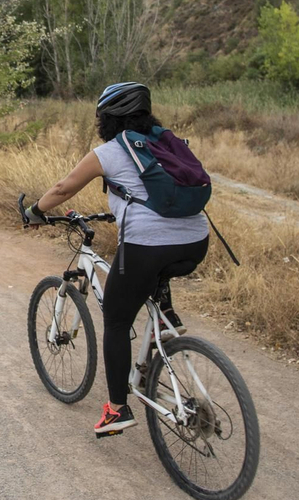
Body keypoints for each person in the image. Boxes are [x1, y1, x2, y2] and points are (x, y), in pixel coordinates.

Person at [24, 82, 208, 436]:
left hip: (147, 247)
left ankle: (117, 409)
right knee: (153, 269)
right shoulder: (165, 142)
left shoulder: (108, 152)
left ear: (106, 119)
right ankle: (167, 314)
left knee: (117, 318)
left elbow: (63, 189)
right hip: (196, 242)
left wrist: (34, 211)